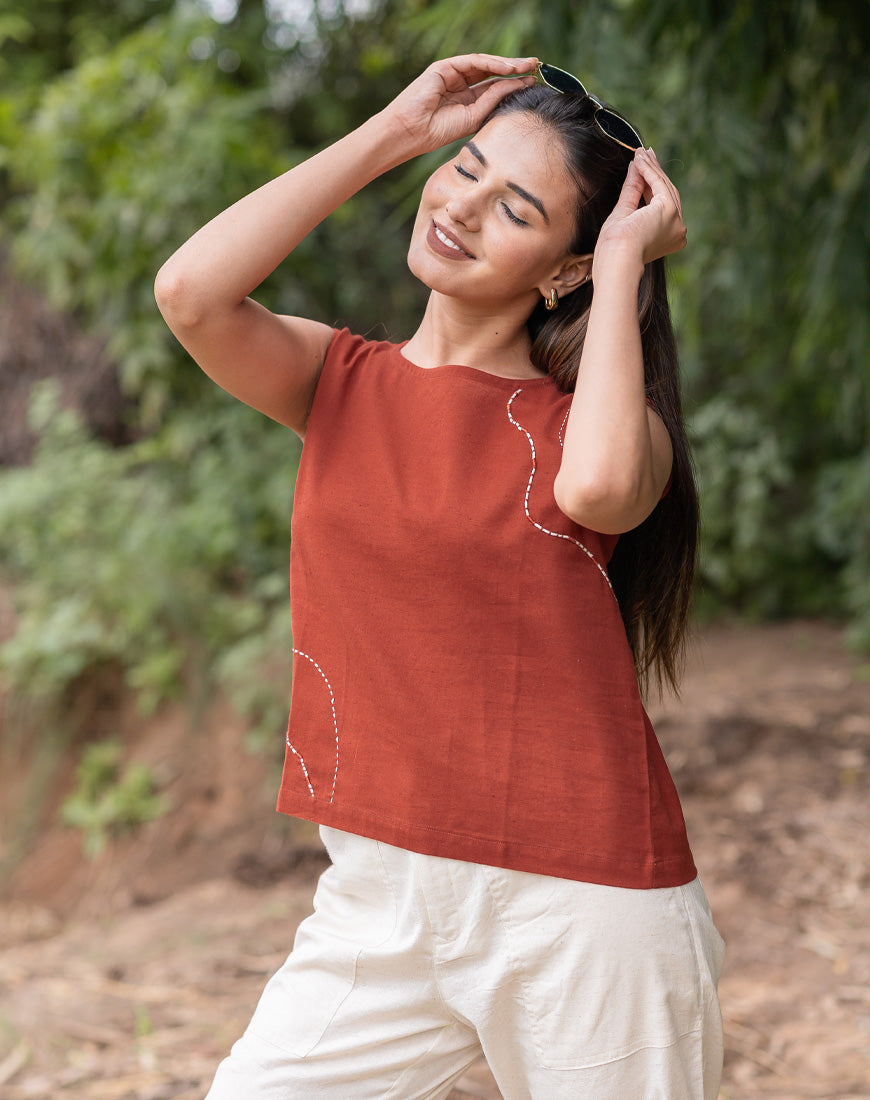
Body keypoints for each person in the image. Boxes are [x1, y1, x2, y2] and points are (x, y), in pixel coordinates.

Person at [155, 52, 725, 1100]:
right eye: (464, 168)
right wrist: (395, 130)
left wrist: (624, 266)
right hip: (380, 898)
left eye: (515, 208)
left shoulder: (595, 426)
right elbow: (189, 291)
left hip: (583, 903)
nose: (461, 207)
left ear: (564, 267)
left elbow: (599, 486)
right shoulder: (338, 380)